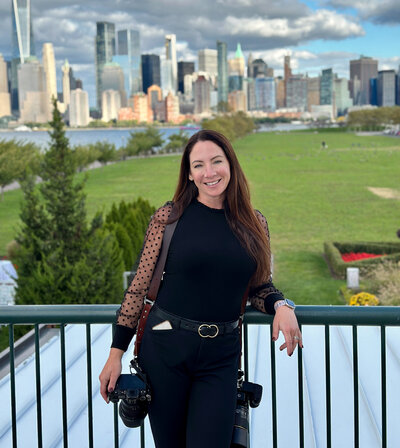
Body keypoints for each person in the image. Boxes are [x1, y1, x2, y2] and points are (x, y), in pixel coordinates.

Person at [99, 129, 303, 448]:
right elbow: (137, 290)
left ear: (231, 165)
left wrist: (282, 305)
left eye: (216, 161)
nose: (209, 172)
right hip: (165, 347)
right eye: (198, 165)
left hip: (221, 356)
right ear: (190, 174)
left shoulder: (255, 223)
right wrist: (115, 355)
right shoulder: (169, 218)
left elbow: (260, 286)